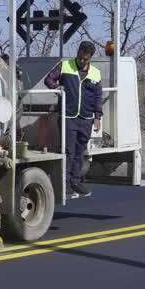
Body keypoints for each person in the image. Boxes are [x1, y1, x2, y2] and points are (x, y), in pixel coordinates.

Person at [43, 41, 103, 196]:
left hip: (86, 118)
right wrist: (56, 87)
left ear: (90, 58)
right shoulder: (65, 66)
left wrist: (97, 117)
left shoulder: (95, 73)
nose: (81, 61)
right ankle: (65, 183)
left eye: (85, 59)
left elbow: (98, 96)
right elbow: (48, 79)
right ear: (77, 53)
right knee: (68, 151)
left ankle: (75, 181)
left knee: (80, 151)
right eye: (79, 57)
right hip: (68, 116)